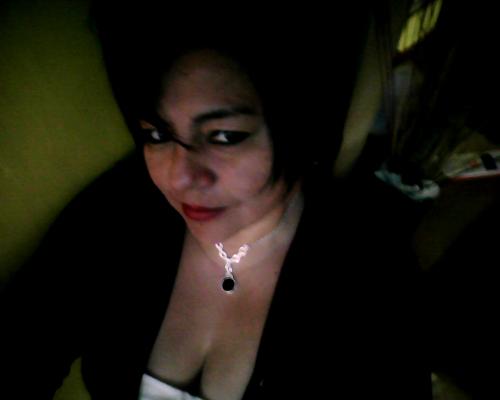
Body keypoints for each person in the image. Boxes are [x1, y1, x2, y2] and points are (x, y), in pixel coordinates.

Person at [0, 3, 431, 399]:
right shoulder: (118, 214)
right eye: (158, 134)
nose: (178, 178)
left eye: (225, 136)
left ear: (301, 129)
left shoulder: (371, 267)